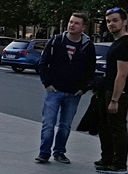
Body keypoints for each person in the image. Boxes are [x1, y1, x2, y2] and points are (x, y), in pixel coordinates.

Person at [35, 13, 96, 165]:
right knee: (48, 123)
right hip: (54, 90)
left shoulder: (87, 46)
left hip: (74, 93)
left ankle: (59, 152)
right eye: (70, 22)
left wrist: (84, 88)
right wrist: (47, 84)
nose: (71, 25)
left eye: (76, 23)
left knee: (65, 125)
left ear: (83, 27)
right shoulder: (56, 41)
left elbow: (91, 70)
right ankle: (44, 153)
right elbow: (43, 63)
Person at [95, 7, 128, 174]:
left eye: (115, 20)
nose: (111, 24)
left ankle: (120, 164)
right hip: (109, 90)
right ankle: (108, 159)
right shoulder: (118, 42)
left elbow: (122, 74)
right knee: (106, 126)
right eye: (108, 21)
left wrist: (115, 100)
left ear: (125, 22)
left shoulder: (126, 44)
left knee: (117, 128)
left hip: (119, 93)